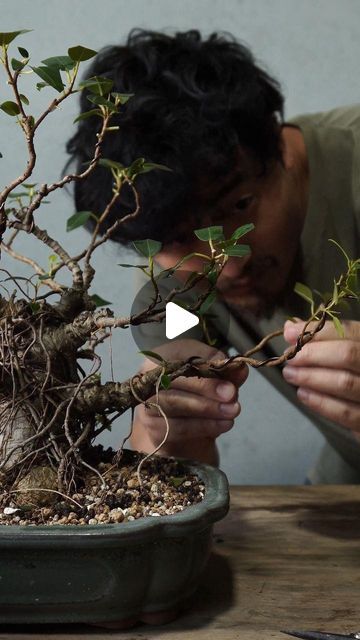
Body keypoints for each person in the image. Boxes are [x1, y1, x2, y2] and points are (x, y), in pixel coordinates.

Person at [67, 29, 360, 483]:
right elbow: (159, 463)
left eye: (239, 207)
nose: (230, 262)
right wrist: (168, 419)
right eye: (182, 240)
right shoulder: (177, 282)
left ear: (278, 145)